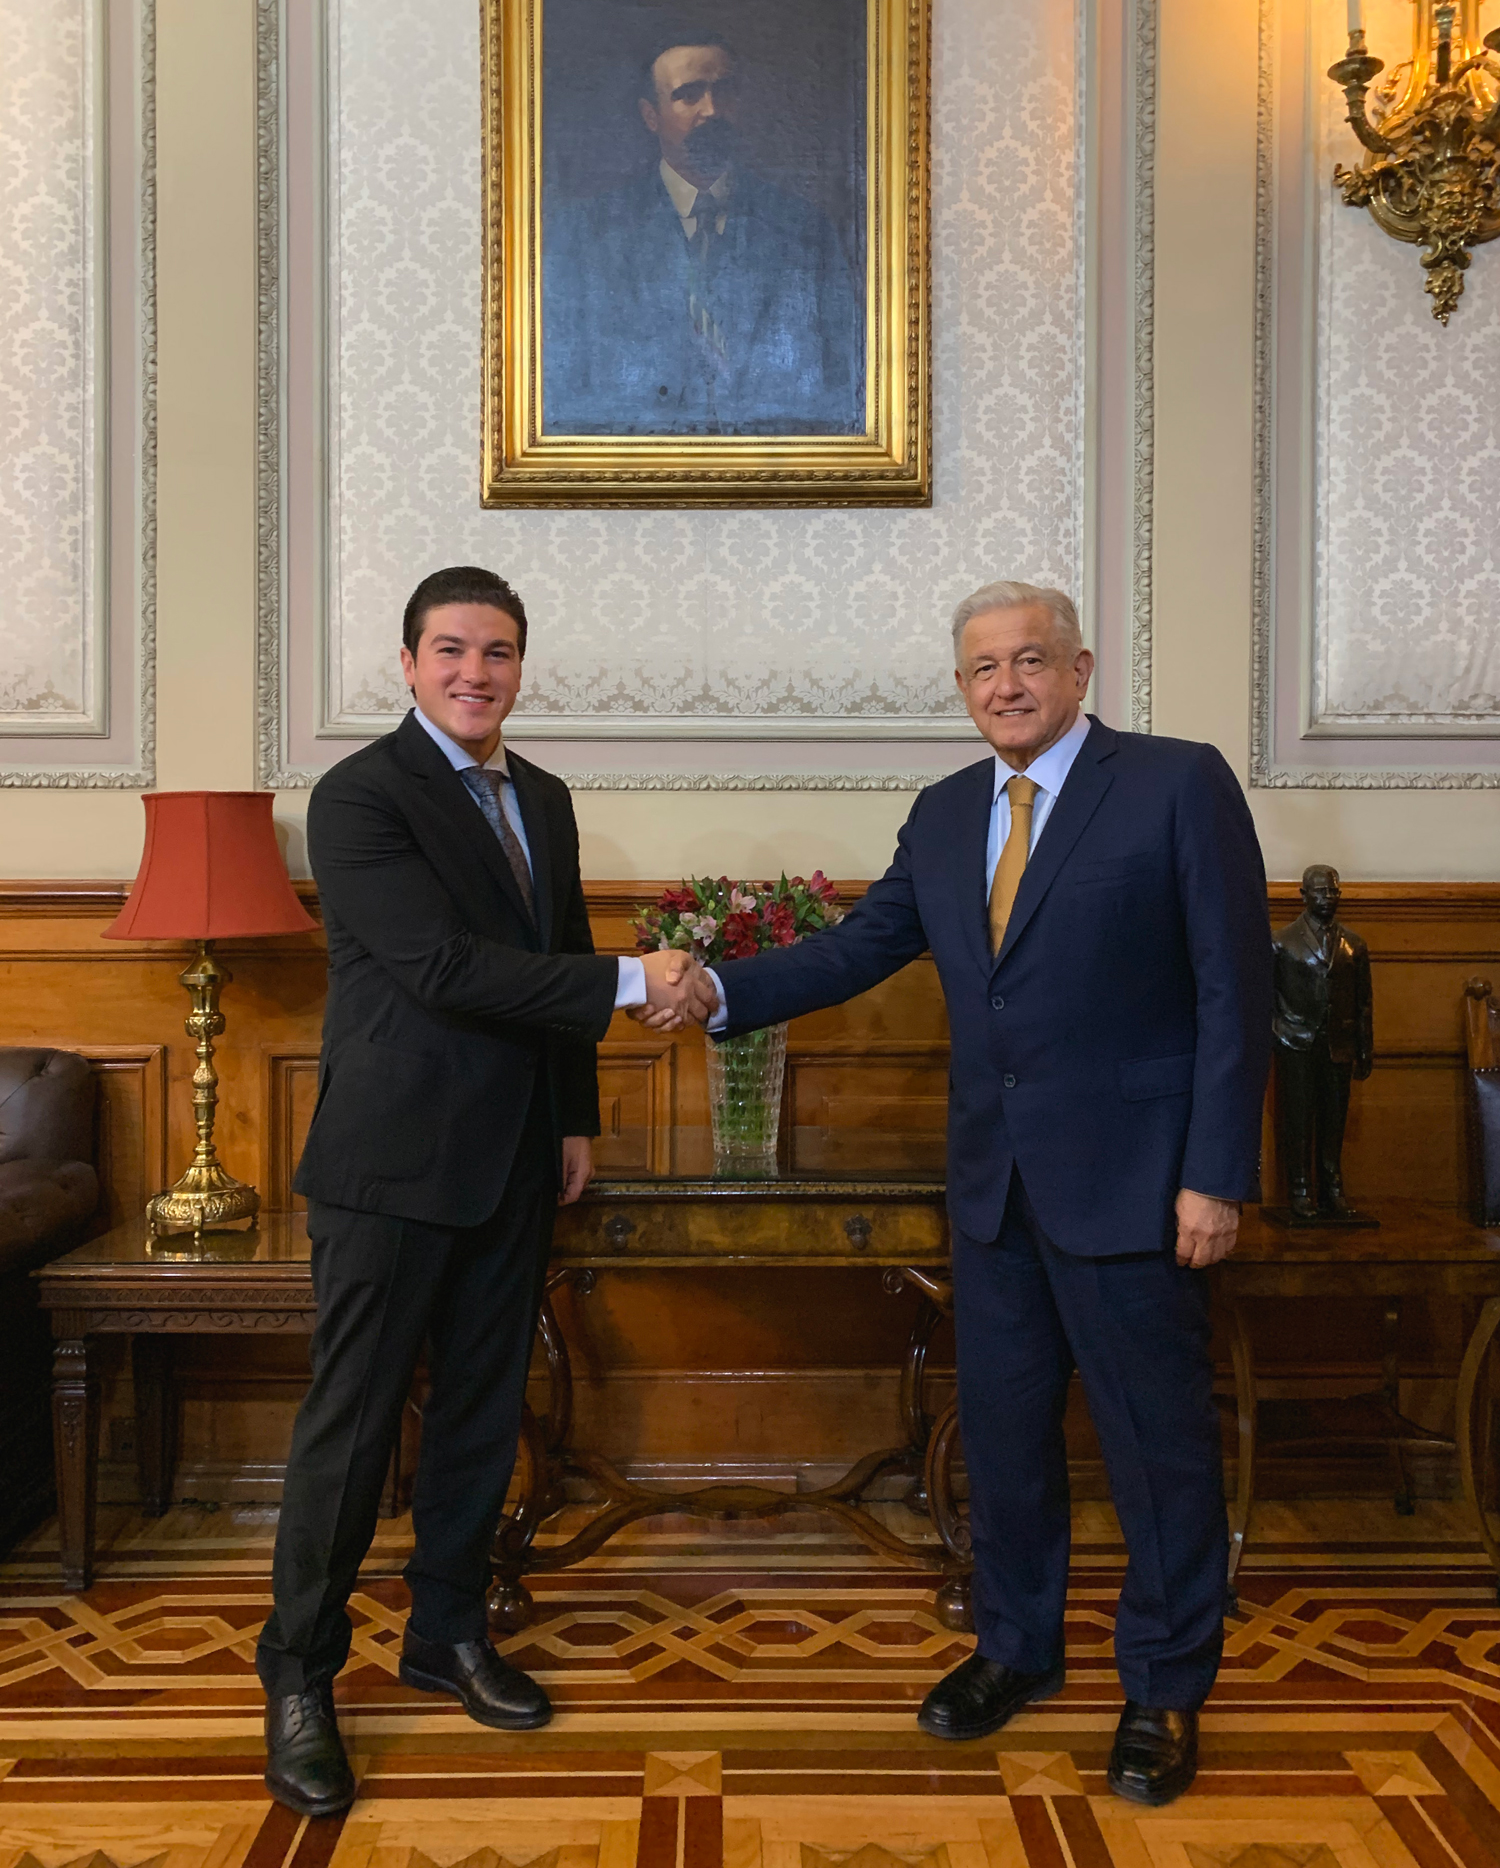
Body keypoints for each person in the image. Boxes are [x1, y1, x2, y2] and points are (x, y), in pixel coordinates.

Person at [636, 581, 1271, 1807]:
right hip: (993, 1191)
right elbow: (857, 948)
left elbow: (1230, 994)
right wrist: (717, 992)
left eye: (1031, 660)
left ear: (1081, 668)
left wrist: (1213, 1174)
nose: (1008, 685)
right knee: (1006, 1443)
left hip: (1141, 1187)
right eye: (983, 669)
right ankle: (1018, 1648)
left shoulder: (1176, 783)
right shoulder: (940, 815)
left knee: (1159, 1450)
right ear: (964, 687)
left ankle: (1166, 1686)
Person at [258, 565, 696, 1819]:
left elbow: (549, 948)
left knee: (479, 1415)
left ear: (520, 665)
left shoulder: (543, 796)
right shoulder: (359, 796)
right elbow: (444, 966)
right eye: (450, 649)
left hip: (514, 1159)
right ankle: (298, 1673)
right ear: (407, 663)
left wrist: (572, 1119)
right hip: (390, 1168)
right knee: (348, 1433)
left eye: (497, 652)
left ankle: (445, 1631)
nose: (474, 672)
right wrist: (632, 981)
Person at [542, 31, 862, 436]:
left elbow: (846, 384)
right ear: (650, 115)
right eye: (689, 95)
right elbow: (561, 392)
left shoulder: (806, 233)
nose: (711, 110)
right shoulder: (585, 237)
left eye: (723, 91)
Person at [1272, 863, 1374, 1220]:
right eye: (1319, 891)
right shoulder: (1281, 942)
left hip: (1339, 1044)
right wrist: (1277, 1033)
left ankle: (1332, 1187)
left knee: (1334, 1119)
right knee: (1298, 1119)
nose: (1327, 898)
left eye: (1332, 891)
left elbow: (1363, 1002)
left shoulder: (1354, 945)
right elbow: (1267, 997)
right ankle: (1299, 1189)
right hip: (1295, 1042)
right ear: (1303, 894)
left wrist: (1365, 1047)